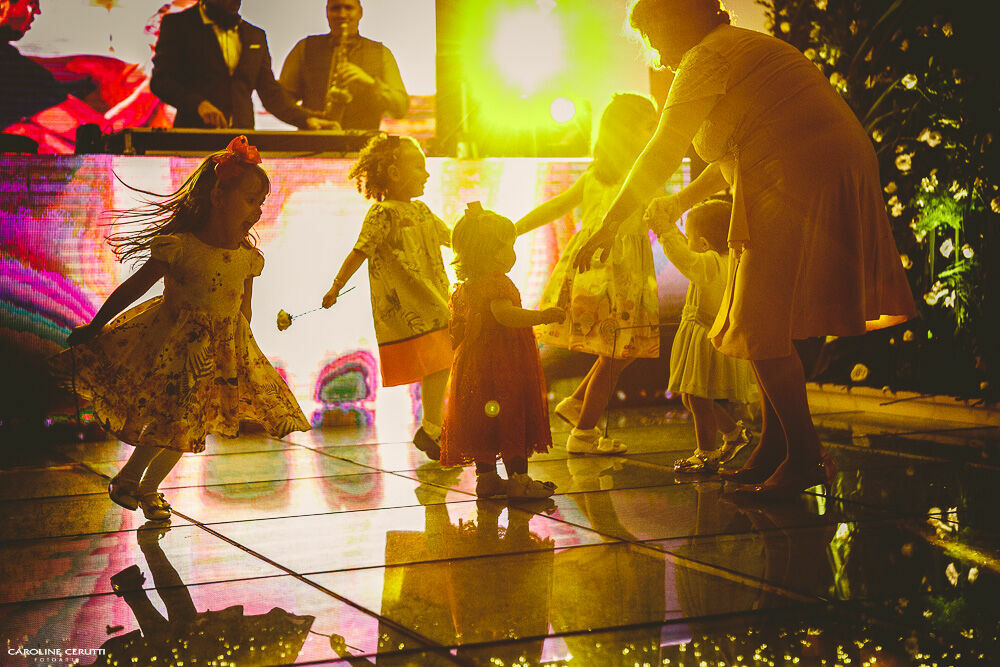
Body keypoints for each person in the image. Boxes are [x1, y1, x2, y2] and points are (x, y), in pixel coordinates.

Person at [575, 0, 916, 498]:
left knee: (758, 318)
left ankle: (802, 456)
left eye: (652, 34)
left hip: (798, 175)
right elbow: (733, 151)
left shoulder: (705, 56)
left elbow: (665, 147)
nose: (654, 53)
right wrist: (679, 202)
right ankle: (777, 450)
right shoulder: (738, 48)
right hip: (818, 167)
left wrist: (609, 223)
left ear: (676, 17)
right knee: (783, 318)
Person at [52, 136, 311, 520]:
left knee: (189, 428)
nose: (257, 211)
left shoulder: (248, 259)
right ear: (218, 196)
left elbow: (243, 312)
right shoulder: (181, 247)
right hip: (174, 351)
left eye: (261, 203)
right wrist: (97, 324)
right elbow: (135, 286)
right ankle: (130, 480)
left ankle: (143, 486)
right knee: (174, 422)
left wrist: (237, 358)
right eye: (250, 200)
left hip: (216, 357)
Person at [514, 93, 660, 455]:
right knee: (618, 353)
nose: (655, 132)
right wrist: (513, 229)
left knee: (620, 352)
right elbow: (557, 206)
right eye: (648, 125)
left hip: (598, 271)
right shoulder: (634, 173)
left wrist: (516, 228)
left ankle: (578, 404)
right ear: (628, 132)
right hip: (616, 271)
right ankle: (583, 432)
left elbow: (556, 206)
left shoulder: (598, 175)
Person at [322, 134, 450, 460]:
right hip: (413, 306)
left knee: (443, 363)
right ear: (394, 173)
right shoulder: (382, 214)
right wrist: (336, 286)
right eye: (419, 167)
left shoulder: (422, 210)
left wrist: (481, 234)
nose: (427, 174)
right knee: (441, 360)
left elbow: (451, 238)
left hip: (435, 298)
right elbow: (359, 251)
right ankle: (433, 428)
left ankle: (433, 428)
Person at [440, 202, 563, 499]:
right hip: (503, 365)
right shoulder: (498, 283)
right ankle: (518, 480)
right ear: (488, 253)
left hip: (475, 367)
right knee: (511, 416)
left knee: (484, 421)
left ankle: (487, 479)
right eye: (507, 247)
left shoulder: (465, 286)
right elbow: (505, 315)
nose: (512, 254)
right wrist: (543, 315)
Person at [646, 198, 756, 472]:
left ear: (704, 243)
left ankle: (706, 453)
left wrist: (665, 232)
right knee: (691, 395)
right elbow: (688, 250)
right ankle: (733, 433)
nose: (687, 241)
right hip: (703, 334)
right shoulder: (725, 258)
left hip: (704, 337)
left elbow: (685, 258)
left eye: (690, 236)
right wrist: (673, 228)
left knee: (696, 396)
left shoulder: (709, 262)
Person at [150, 0, 335, 130]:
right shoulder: (178, 25)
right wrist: (198, 104)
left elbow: (271, 94)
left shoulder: (255, 36)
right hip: (195, 138)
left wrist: (307, 120)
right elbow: (161, 81)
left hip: (243, 142)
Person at [279, 0, 408, 131]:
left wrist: (370, 82)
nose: (341, 14)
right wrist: (306, 118)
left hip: (362, 146)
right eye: (335, 8)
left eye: (348, 8)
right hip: (313, 143)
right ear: (327, 12)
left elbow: (400, 109)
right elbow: (280, 100)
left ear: (360, 12)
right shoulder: (305, 48)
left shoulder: (381, 53)